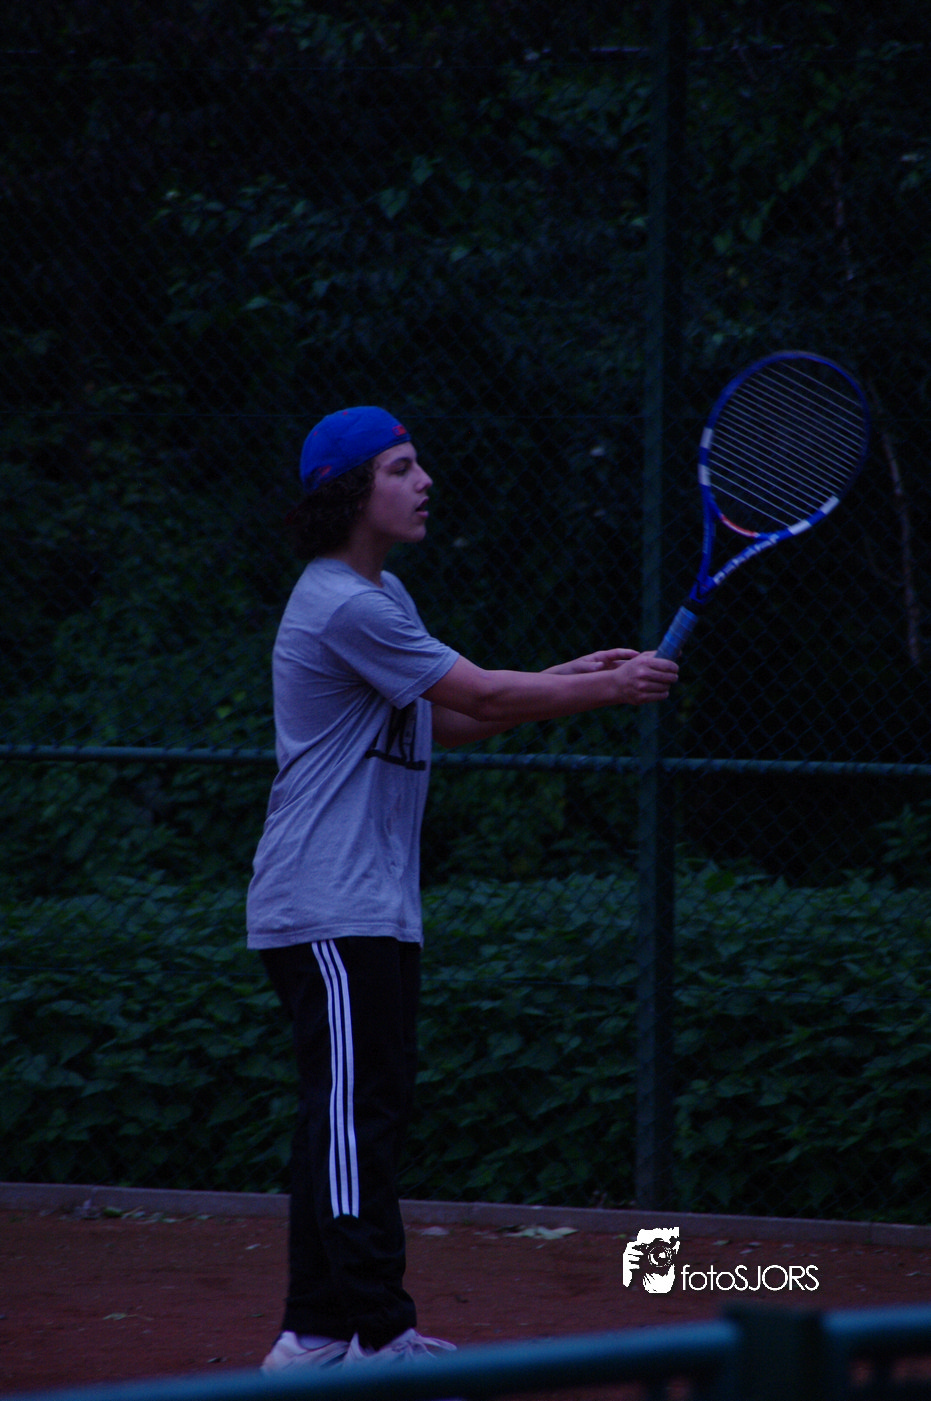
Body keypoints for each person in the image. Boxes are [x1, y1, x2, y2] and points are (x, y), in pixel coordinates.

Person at [247, 406, 678, 1375]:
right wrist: (604, 689)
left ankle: (314, 1339)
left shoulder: (382, 596)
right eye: (402, 467)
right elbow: (479, 693)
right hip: (326, 902)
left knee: (350, 1117)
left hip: (364, 905)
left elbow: (448, 717)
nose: (425, 480)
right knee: (355, 1121)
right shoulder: (342, 603)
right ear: (353, 491)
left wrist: (567, 676)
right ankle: (380, 1336)